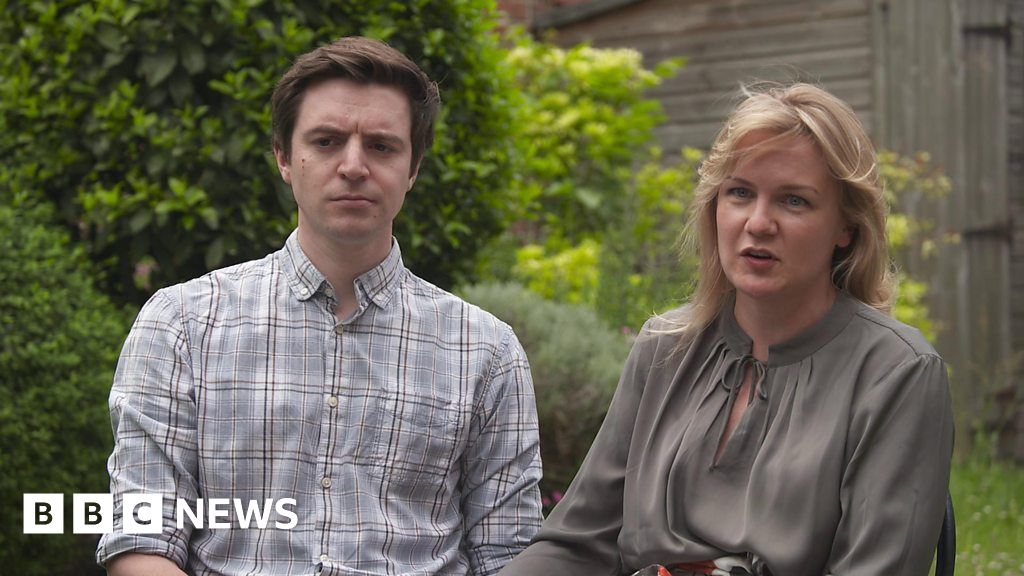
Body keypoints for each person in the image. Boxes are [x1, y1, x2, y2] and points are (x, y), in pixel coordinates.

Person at [97, 36, 543, 576]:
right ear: (286, 157)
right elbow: (143, 532)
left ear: (414, 167)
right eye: (327, 141)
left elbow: (509, 554)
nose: (353, 166)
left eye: (381, 146)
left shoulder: (487, 351)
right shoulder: (180, 325)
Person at [498, 83, 954, 576]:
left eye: (794, 201)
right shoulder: (663, 350)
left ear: (846, 226)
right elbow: (575, 545)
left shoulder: (898, 374)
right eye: (739, 193)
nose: (758, 223)